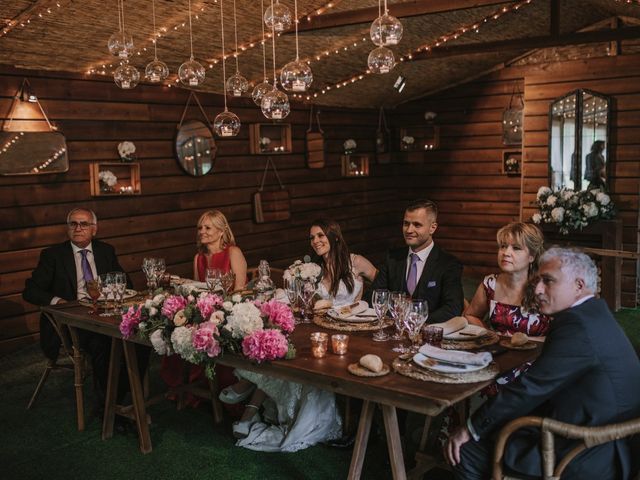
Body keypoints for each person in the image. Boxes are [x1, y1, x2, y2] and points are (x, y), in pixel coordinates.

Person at [446, 247, 640, 480]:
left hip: (587, 452)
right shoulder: (595, 312)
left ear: (579, 286)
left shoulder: (576, 325)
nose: (537, 289)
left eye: (548, 281)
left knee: (465, 450)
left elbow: (531, 387)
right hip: (611, 438)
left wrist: (471, 428)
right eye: (538, 281)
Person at [219, 219, 377, 452]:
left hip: (348, 333)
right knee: (283, 346)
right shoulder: (314, 268)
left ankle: (248, 396)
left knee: (289, 351)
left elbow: (383, 283)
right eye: (312, 238)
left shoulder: (356, 261)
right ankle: (249, 402)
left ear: (334, 236)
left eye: (321, 236)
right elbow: (309, 303)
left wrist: (364, 308)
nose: (316, 241)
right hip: (321, 330)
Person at [22, 208, 140, 417]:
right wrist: (59, 301)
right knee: (103, 343)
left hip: (105, 312)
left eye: (84, 224)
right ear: (67, 229)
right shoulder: (53, 255)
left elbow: (125, 282)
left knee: (139, 336)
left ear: (94, 229)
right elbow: (31, 290)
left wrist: (111, 294)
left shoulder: (105, 251)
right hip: (70, 321)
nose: (78, 228)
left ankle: (122, 394)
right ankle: (109, 408)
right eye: (73, 224)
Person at [161, 210, 247, 406]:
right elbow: (198, 290)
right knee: (177, 331)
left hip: (232, 311)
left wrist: (220, 310)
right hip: (206, 311)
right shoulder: (198, 257)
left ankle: (221, 389)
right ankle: (187, 387)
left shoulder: (233, 252)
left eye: (208, 227)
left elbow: (240, 290)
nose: (202, 231)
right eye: (200, 227)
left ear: (221, 230)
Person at [464, 222, 551, 396]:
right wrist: (489, 335)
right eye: (503, 246)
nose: (506, 253)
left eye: (516, 248)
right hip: (498, 357)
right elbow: (471, 315)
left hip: (535, 364)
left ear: (532, 256)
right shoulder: (490, 283)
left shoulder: (545, 288)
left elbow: (562, 333)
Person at [369, 199, 464, 323]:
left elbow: (453, 308)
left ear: (432, 228)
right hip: (393, 333)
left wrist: (416, 321)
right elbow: (373, 297)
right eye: (406, 223)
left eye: (417, 225)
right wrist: (396, 317)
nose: (409, 230)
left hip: (429, 336)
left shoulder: (448, 264)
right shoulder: (393, 258)